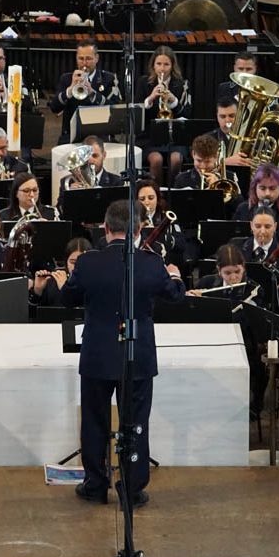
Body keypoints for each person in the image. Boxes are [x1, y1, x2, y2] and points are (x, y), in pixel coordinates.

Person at [61, 200, 185, 505]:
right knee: (135, 423)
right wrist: (175, 276)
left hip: (97, 354)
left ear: (105, 228)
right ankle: (132, 488)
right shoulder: (151, 263)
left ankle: (95, 485)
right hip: (137, 354)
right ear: (139, 230)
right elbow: (175, 296)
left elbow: (67, 298)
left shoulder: (88, 262)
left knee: (94, 421)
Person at [189, 243, 269, 417]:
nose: (233, 277)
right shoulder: (207, 283)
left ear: (243, 268)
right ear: (219, 271)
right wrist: (194, 301)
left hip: (244, 342)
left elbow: (252, 322)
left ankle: (252, 405)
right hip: (212, 340)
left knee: (258, 366)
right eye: (228, 273)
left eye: (237, 272)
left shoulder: (254, 289)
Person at [135, 46, 192, 183]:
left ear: (172, 66)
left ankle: (174, 190)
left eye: (166, 64)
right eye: (159, 64)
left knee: (176, 159)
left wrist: (173, 101)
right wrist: (151, 98)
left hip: (175, 137)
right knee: (156, 160)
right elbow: (137, 114)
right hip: (149, 137)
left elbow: (187, 114)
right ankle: (156, 192)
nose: (162, 68)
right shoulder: (143, 82)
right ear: (153, 66)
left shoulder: (182, 84)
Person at [49, 39, 120, 145]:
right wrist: (70, 90)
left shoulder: (108, 78)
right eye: (81, 58)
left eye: (88, 59)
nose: (84, 63)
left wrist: (92, 93)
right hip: (71, 136)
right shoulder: (66, 79)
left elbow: (115, 111)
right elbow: (54, 108)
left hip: (100, 136)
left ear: (96, 58)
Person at [232, 163, 279, 242]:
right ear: (255, 188)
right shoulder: (243, 209)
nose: (267, 193)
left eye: (272, 188)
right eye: (262, 188)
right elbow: (233, 240)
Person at [32, 237, 93, 307]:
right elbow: (39, 311)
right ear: (66, 262)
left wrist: (66, 290)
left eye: (82, 262)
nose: (76, 267)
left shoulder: (96, 284)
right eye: (72, 262)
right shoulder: (54, 281)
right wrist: (38, 291)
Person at [59, 135, 123, 195]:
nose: (90, 161)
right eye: (86, 156)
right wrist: (70, 196)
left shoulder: (116, 182)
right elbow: (60, 203)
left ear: (104, 155)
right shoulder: (67, 182)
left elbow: (120, 203)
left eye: (95, 156)